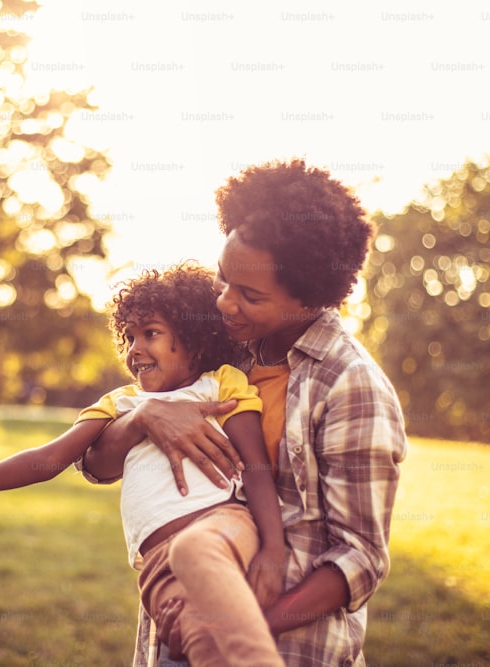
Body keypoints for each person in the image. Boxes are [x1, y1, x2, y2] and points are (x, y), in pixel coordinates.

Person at [80, 159, 409, 667]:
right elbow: (95, 464)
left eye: (250, 295)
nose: (226, 304)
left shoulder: (350, 386)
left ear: (310, 298)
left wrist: (232, 629)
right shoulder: (217, 349)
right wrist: (144, 419)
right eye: (223, 279)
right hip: (174, 629)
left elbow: (360, 559)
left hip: (285, 646)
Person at [0, 263, 287, 667]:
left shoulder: (223, 383)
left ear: (194, 341)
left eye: (151, 333)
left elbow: (257, 467)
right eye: (129, 337)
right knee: (194, 641)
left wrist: (273, 548)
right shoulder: (120, 404)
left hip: (224, 527)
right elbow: (50, 458)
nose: (135, 348)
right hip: (158, 565)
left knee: (200, 566)